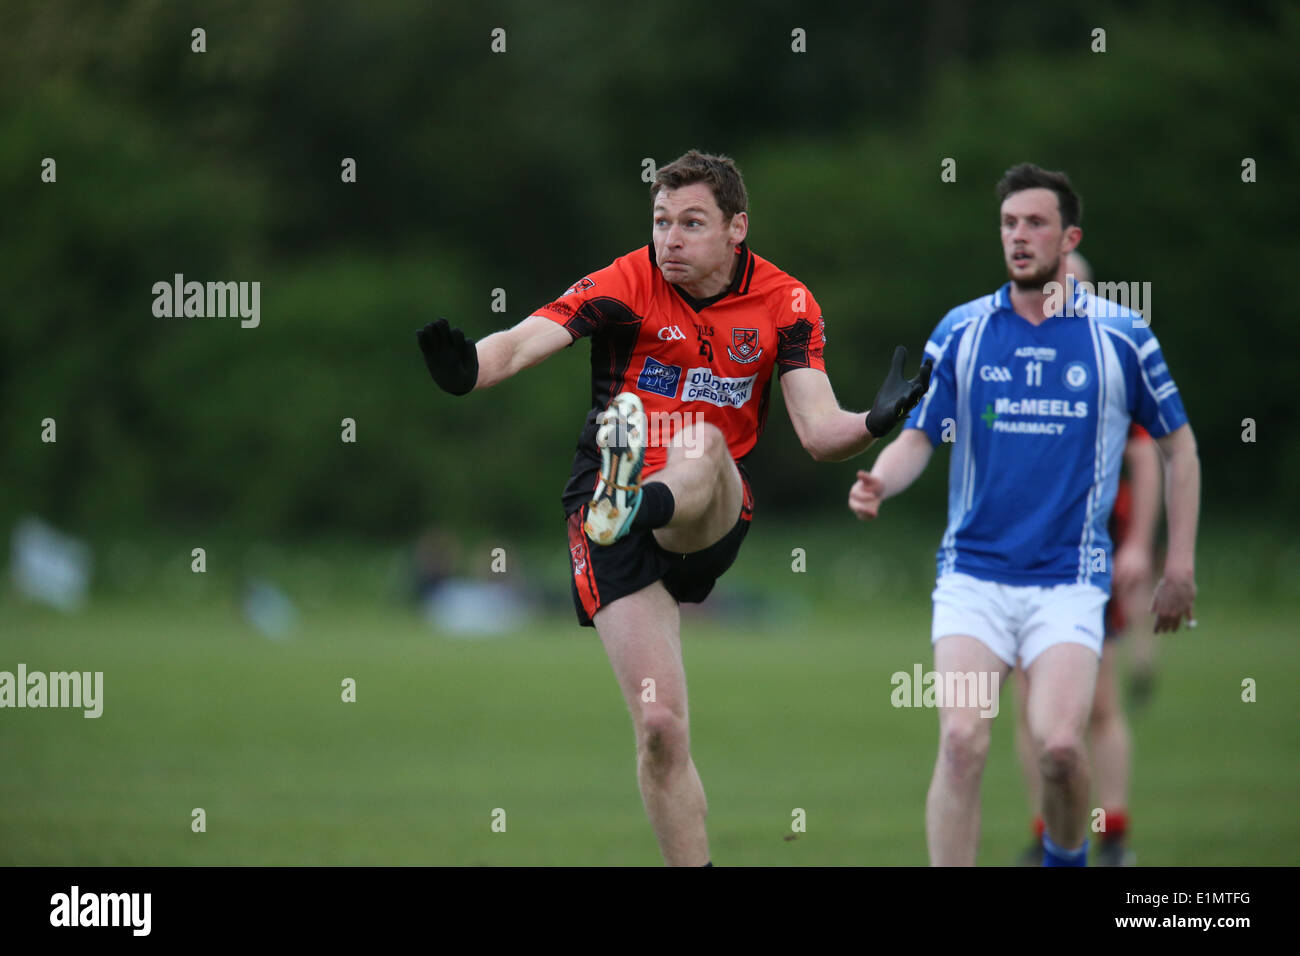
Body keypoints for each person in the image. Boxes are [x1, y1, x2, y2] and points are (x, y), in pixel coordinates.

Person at [417, 150, 931, 866]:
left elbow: (819, 434)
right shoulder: (627, 281)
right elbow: (526, 339)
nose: (671, 239)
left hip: (706, 506)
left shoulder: (785, 303)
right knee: (660, 726)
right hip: (603, 509)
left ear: (736, 229)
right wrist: (470, 368)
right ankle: (625, 498)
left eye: (692, 223)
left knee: (701, 440)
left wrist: (874, 422)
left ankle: (639, 498)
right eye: (661, 221)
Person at [848, 163, 1200, 866]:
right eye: (1009, 223)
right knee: (961, 741)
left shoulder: (1122, 337)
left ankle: (1067, 858)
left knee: (1062, 748)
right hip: (973, 579)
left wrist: (1178, 562)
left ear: (1069, 236)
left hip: (1068, 583)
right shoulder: (964, 330)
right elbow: (920, 433)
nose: (1019, 235)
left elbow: (1177, 447)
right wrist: (881, 479)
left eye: (1035, 223)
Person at [1012, 252, 1163, 866]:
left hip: (1086, 557)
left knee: (1095, 704)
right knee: (1029, 708)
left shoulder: (1109, 358)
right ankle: (1049, 830)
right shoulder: (1010, 355)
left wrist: (1137, 546)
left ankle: (1114, 834)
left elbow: (1148, 454)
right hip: (1019, 559)